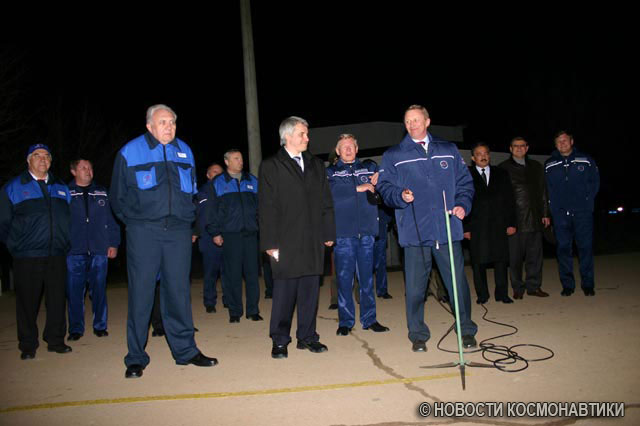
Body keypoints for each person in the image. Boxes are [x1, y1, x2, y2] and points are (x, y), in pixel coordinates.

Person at [110, 104, 216, 379]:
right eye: (163, 122)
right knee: (141, 293)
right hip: (144, 231)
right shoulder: (130, 152)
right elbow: (117, 198)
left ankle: (185, 351)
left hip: (178, 232)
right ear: (149, 126)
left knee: (178, 292)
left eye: (172, 122)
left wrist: (188, 221)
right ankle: (136, 357)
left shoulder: (185, 151)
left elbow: (192, 192)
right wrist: (136, 223)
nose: (169, 127)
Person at [377, 105, 477, 352]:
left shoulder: (448, 149)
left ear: (427, 122)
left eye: (416, 120)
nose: (412, 124)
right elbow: (384, 187)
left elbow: (465, 182)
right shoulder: (394, 154)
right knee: (415, 289)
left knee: (457, 284)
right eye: (408, 121)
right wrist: (400, 195)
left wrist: (462, 204)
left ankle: (466, 329)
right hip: (414, 231)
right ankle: (418, 334)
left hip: (447, 228)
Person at [258, 116, 336, 359]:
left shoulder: (316, 164)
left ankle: (307, 336)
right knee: (284, 293)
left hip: (313, 237)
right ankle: (280, 340)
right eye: (302, 133)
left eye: (307, 133)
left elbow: (326, 201)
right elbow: (266, 207)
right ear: (288, 136)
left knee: (310, 291)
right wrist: (270, 243)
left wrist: (328, 232)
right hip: (285, 239)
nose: (307, 138)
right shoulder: (271, 165)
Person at [0, 143, 72, 359]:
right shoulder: (13, 188)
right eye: (37, 155)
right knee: (27, 302)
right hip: (27, 255)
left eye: (46, 156)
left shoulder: (60, 186)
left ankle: (56, 340)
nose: (43, 159)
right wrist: (15, 246)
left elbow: (69, 219)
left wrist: (66, 241)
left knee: (57, 300)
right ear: (28, 160)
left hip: (56, 253)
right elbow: (3, 223)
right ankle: (28, 345)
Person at [327, 134, 389, 336]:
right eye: (343, 147)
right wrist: (357, 189)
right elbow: (330, 194)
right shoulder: (331, 172)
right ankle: (345, 321)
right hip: (344, 234)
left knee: (367, 279)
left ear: (357, 149)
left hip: (367, 233)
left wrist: (382, 175)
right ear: (338, 151)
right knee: (345, 279)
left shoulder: (368, 168)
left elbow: (389, 177)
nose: (348, 150)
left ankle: (369, 319)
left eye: (351, 146)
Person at [205, 150, 261, 323]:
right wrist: (215, 232)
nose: (240, 161)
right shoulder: (218, 182)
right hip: (230, 234)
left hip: (251, 233)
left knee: (252, 274)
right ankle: (235, 311)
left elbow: (261, 206)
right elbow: (211, 210)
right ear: (227, 162)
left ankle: (253, 310)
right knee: (233, 275)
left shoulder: (252, 180)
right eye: (236, 159)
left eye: (241, 158)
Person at [66, 159, 120, 341]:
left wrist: (113, 243)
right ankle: (76, 328)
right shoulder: (66, 192)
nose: (88, 170)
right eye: (83, 167)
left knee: (99, 289)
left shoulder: (102, 192)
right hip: (74, 250)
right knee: (74, 291)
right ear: (74, 171)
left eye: (90, 167)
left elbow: (112, 219)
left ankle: (100, 325)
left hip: (99, 249)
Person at [544, 131, 599, 296]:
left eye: (565, 140)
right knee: (563, 249)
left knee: (585, 248)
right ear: (555, 144)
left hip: (583, 213)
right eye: (559, 141)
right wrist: (553, 209)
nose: (562, 143)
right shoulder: (550, 164)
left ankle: (588, 284)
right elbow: (547, 189)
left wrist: (587, 202)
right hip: (560, 214)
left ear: (572, 141)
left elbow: (595, 182)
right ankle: (568, 285)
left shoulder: (586, 160)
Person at [463, 143, 517, 304]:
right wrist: (465, 227)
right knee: (478, 261)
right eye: (479, 154)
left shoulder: (501, 173)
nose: (483, 156)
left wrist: (511, 223)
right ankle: (482, 294)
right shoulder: (466, 175)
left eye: (486, 153)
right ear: (473, 158)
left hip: (499, 224)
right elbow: (462, 201)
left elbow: (510, 199)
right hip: (476, 225)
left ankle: (502, 293)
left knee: (501, 260)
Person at [499, 137, 550, 299]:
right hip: (515, 220)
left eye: (522, 146)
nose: (519, 148)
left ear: (527, 148)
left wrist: (545, 214)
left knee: (535, 256)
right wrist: (506, 221)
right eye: (516, 146)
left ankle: (534, 286)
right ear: (510, 149)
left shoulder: (536, 166)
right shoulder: (503, 168)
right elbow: (501, 198)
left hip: (535, 218)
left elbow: (543, 192)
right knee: (515, 258)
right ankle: (517, 288)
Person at [361, 159, 393, 300]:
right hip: (365, 227)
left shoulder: (383, 185)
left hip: (380, 226)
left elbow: (388, 204)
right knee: (364, 262)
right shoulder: (361, 185)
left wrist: (386, 222)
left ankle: (382, 290)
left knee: (380, 260)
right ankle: (365, 291)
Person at [195, 162, 225, 313]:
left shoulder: (226, 189)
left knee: (227, 271)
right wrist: (195, 232)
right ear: (208, 175)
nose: (217, 174)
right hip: (208, 237)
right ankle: (209, 302)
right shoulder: (202, 192)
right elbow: (200, 215)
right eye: (214, 172)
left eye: (220, 172)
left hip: (226, 235)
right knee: (210, 271)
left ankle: (228, 299)